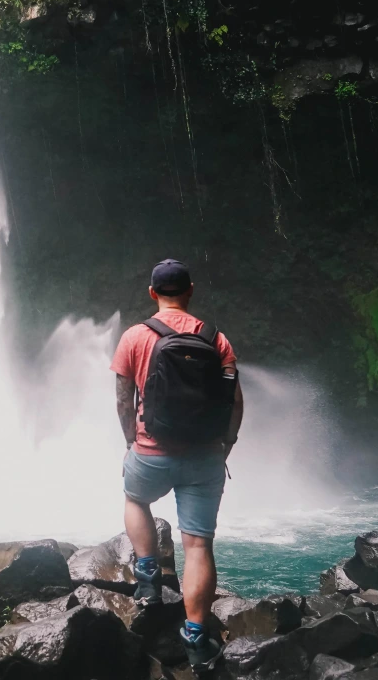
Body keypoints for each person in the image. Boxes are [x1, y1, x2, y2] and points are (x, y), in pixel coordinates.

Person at [110, 258, 244, 673]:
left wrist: (132, 440)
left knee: (135, 498)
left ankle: (148, 575)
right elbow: (234, 401)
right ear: (190, 290)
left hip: (151, 452)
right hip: (204, 456)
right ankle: (196, 637)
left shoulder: (135, 336)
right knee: (198, 545)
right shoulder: (215, 338)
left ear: (153, 293)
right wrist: (227, 445)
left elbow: (121, 397)